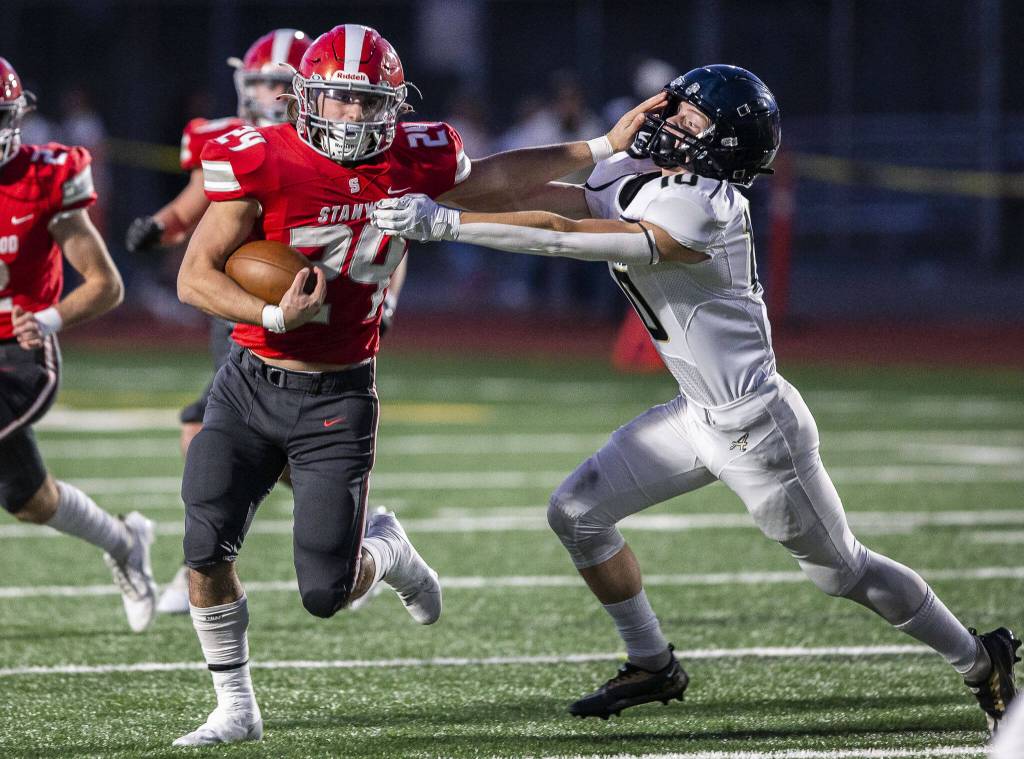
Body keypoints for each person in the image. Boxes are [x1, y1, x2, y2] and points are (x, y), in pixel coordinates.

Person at [372, 64, 1020, 730]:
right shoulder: (635, 171)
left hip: (756, 429)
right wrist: (460, 188)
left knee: (842, 569)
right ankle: (653, 661)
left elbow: (567, 238)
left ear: (725, 145)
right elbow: (535, 199)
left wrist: (447, 223)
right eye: (675, 107)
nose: (669, 121)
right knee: (576, 512)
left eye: (690, 118)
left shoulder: (707, 204)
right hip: (696, 413)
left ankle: (979, 657)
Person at [172, 23, 657, 746]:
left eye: (369, 103)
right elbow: (194, 276)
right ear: (308, 100)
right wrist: (275, 310)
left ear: (392, 105)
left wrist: (603, 149)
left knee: (324, 593)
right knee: (205, 548)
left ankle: (389, 549)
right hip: (246, 381)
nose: (354, 117)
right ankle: (235, 704)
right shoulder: (262, 158)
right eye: (339, 101)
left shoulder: (414, 154)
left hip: (338, 393)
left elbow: (496, 177)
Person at [124, 29, 313, 615]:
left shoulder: (318, 145)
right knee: (251, 445)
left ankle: (201, 564)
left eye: (280, 82)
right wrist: (161, 225)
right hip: (231, 303)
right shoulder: (224, 137)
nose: (267, 92)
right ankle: (343, 515)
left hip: (290, 304)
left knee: (205, 428)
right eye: (258, 80)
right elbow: (196, 196)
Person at [0, 57, 157, 632]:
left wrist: (46, 318)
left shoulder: (42, 177)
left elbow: (106, 284)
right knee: (30, 501)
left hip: (16, 354)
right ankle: (124, 541)